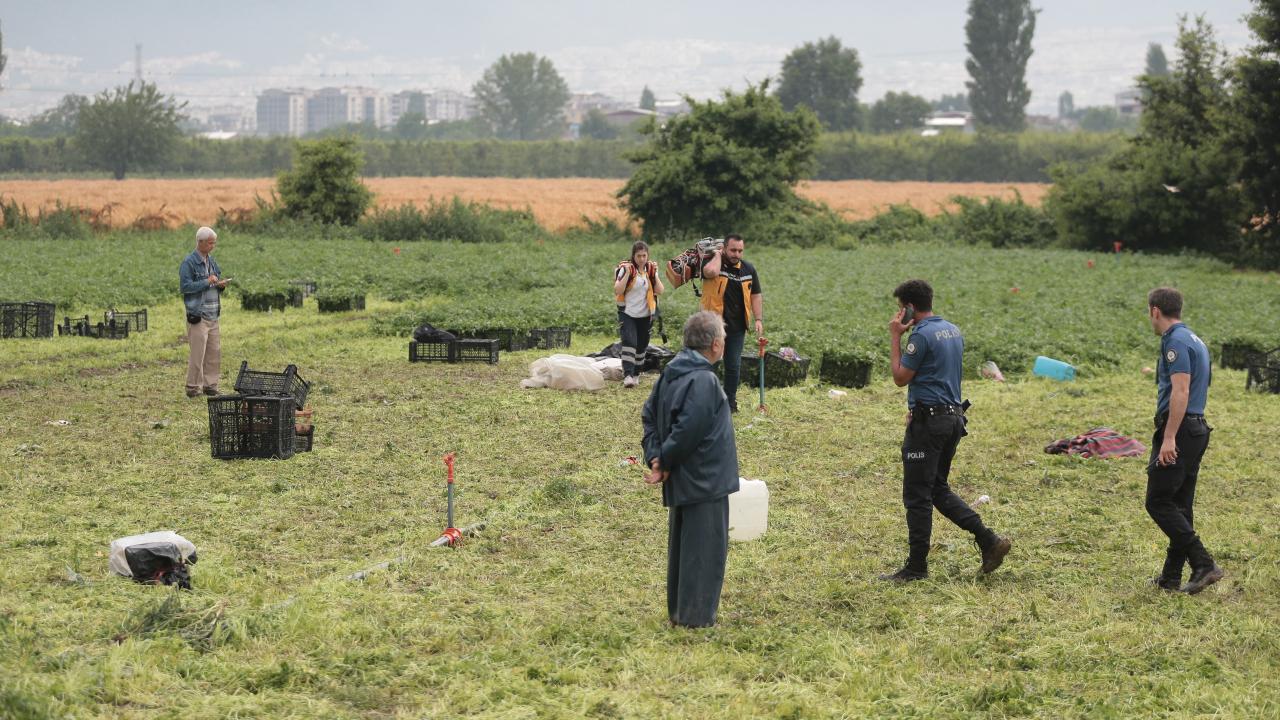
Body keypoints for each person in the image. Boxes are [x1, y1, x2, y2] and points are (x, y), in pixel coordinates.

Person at [881, 279, 1010, 582]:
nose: (900, 314)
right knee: (936, 487)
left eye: (901, 308)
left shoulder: (921, 336)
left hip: (929, 423)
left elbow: (900, 377)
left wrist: (895, 337)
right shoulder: (952, 330)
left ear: (910, 307)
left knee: (917, 495)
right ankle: (988, 540)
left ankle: (916, 567)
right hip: (952, 419)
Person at [642, 311, 739, 627]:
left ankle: (680, 612)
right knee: (704, 551)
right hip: (705, 480)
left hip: (684, 478)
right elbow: (689, 429)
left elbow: (649, 416)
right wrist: (664, 460)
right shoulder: (704, 380)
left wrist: (656, 457)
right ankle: (695, 618)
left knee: (685, 549)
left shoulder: (671, 373)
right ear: (714, 344)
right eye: (723, 339)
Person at [1144, 288, 1224, 594]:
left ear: (1155, 311)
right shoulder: (1195, 339)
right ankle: (1171, 577)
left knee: (1158, 501)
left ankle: (1203, 563)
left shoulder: (1174, 341)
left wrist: (1168, 437)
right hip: (1197, 428)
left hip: (1180, 429)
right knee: (1179, 503)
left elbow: (1181, 390)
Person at [700, 234, 763, 413]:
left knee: (733, 366)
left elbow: (756, 295)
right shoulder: (713, 263)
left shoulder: (748, 269)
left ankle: (730, 403)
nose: (736, 254)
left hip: (737, 327)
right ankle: (706, 402)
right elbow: (709, 273)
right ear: (725, 248)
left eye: (740, 250)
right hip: (714, 325)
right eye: (733, 250)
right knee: (710, 364)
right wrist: (718, 256)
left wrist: (758, 319)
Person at [179, 226, 228, 398]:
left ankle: (210, 386)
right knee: (197, 354)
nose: (213, 246)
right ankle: (193, 388)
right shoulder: (189, 263)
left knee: (214, 353)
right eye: (210, 243)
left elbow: (216, 280)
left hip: (213, 314)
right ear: (200, 242)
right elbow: (185, 287)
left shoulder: (211, 261)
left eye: (214, 243)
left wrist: (220, 284)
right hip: (198, 316)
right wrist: (206, 282)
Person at [613, 240, 664, 388]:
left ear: (647, 255)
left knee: (642, 345)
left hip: (646, 314)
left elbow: (660, 290)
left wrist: (654, 275)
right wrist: (627, 274)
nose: (641, 259)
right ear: (633, 256)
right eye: (638, 256)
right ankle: (627, 374)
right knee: (629, 342)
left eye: (644, 255)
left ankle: (636, 373)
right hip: (628, 313)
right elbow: (617, 290)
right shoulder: (626, 269)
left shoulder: (651, 270)